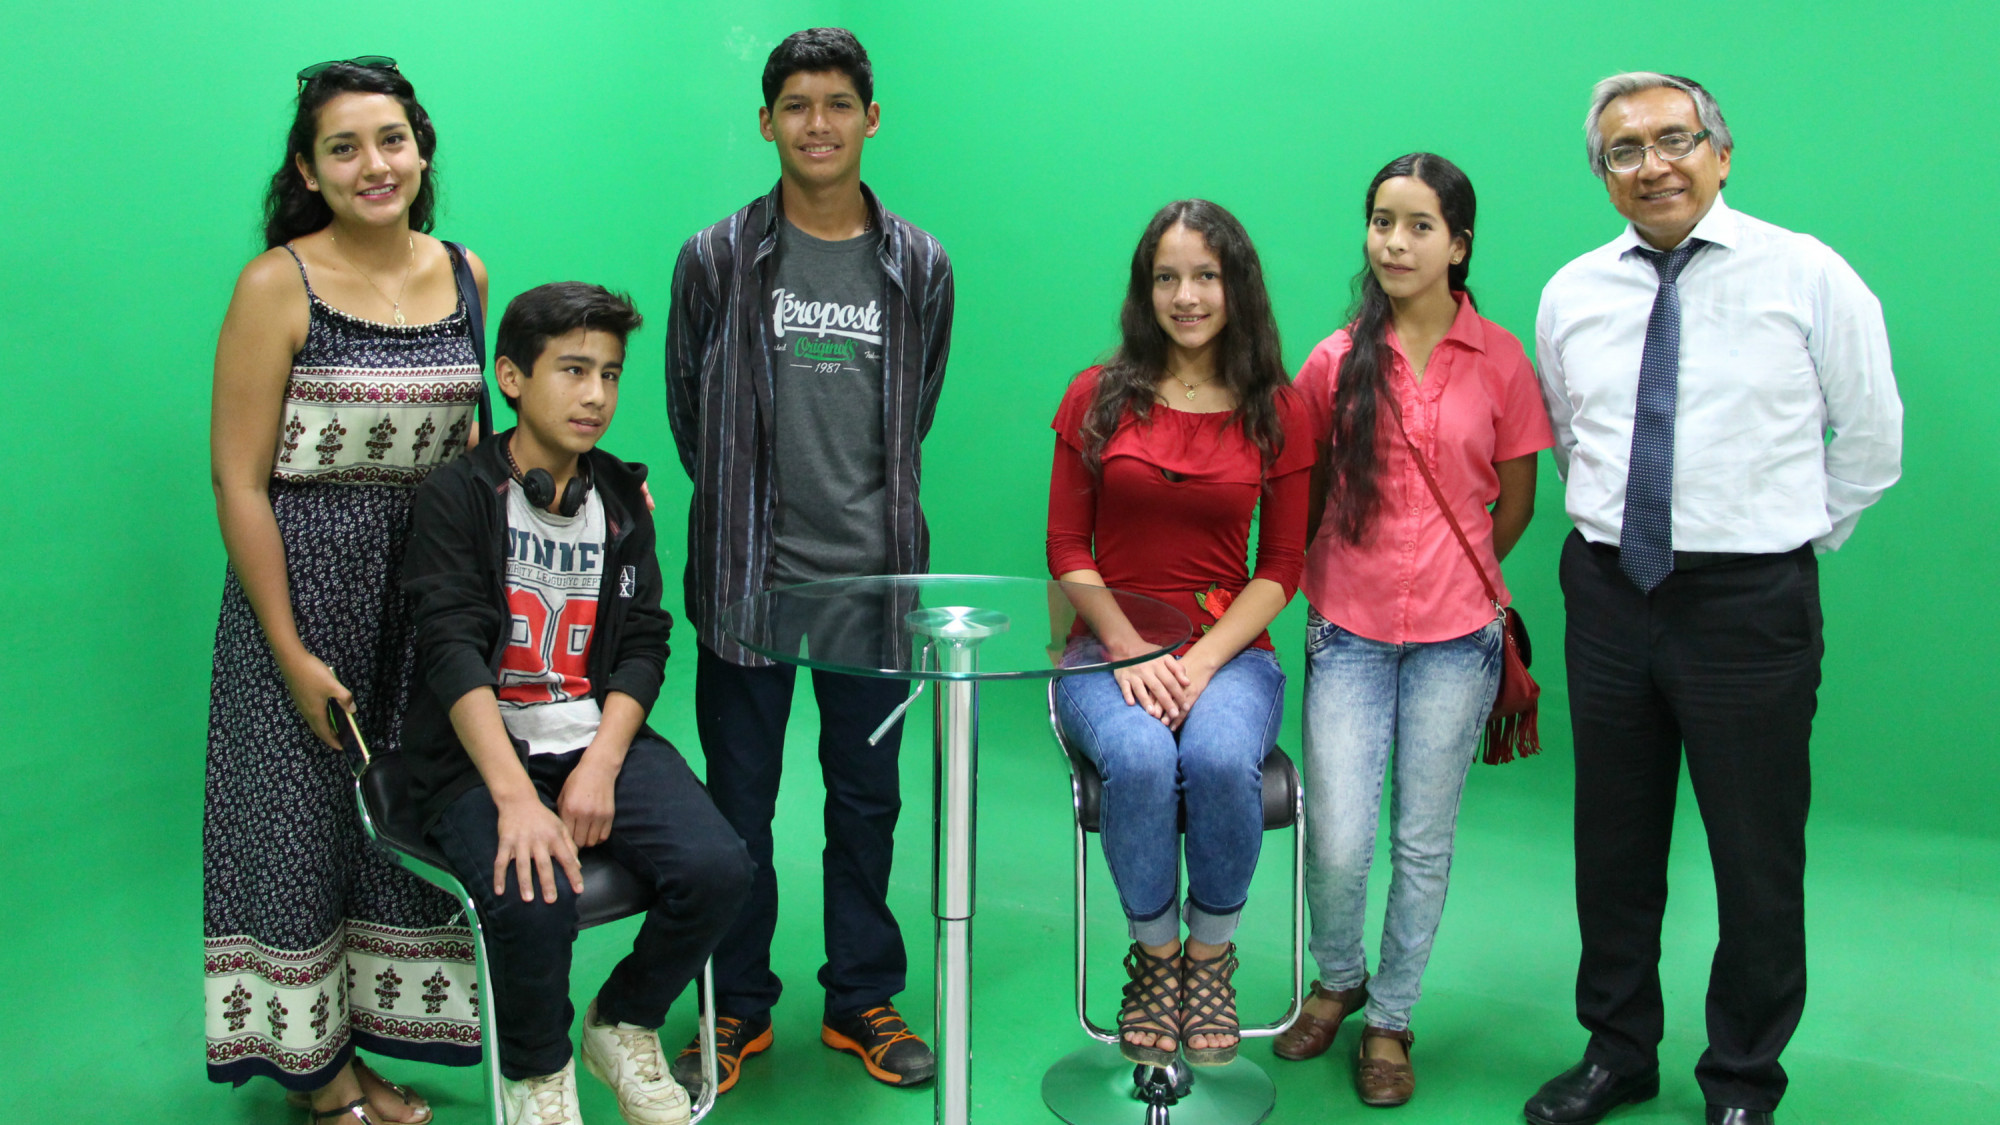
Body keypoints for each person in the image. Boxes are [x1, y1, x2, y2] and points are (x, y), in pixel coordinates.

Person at [1524, 74, 1901, 1125]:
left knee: (1754, 853)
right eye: (1623, 151)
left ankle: (1741, 1077)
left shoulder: (1807, 273)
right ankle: (1616, 1051)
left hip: (1748, 606)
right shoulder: (1570, 292)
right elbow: (1573, 438)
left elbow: (1871, 436)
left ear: (1720, 153)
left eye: (1674, 139)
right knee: (1612, 845)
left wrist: (1778, 539)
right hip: (1609, 594)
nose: (1652, 165)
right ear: (1602, 175)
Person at [663, 26, 953, 1095]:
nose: (817, 124)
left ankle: (860, 997)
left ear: (870, 119)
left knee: (865, 798)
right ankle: (735, 1005)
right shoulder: (714, 258)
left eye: (837, 105)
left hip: (872, 588)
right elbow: (690, 410)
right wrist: (743, 512)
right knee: (737, 808)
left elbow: (914, 409)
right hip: (749, 580)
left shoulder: (919, 265)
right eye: (796, 106)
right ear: (765, 122)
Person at [205, 57, 486, 1124]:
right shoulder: (277, 284)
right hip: (305, 593)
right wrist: (287, 649)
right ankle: (318, 1078)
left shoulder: (466, 273)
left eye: (392, 140)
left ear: (420, 151)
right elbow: (238, 480)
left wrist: (590, 483)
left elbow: (477, 449)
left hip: (424, 599)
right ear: (308, 170)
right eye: (344, 147)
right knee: (295, 826)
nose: (375, 164)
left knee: (396, 828)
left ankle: (362, 1045)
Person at [402, 283, 753, 1125]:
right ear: (512, 379)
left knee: (720, 869)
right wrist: (518, 800)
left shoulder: (622, 498)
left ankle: (622, 1021)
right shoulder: (456, 495)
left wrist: (600, 763)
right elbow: (450, 651)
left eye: (610, 374)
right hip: (481, 757)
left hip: (592, 737)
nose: (595, 394)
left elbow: (644, 643)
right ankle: (536, 1074)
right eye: (572, 370)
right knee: (534, 894)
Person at [1269, 153, 1553, 1107]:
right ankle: (1337, 976)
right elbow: (1303, 492)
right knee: (1338, 834)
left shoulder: (1502, 360)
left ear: (1459, 245)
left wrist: (1450, 575)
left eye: (1420, 225)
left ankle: (1390, 1015)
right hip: (1346, 628)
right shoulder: (1333, 360)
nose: (1395, 242)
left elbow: (1515, 504)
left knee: (1423, 841)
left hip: (1458, 640)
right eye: (1382, 221)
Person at [1045, 199, 1312, 1068]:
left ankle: (1209, 959)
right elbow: (1065, 546)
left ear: (1238, 287)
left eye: (1206, 276)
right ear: (1145, 289)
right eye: (1167, 277)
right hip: (1106, 650)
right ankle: (1156, 959)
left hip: (1227, 654)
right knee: (1142, 756)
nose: (1186, 296)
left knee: (1220, 757)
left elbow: (1281, 566)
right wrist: (1127, 648)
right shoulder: (1096, 395)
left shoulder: (1278, 409)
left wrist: (1196, 662)